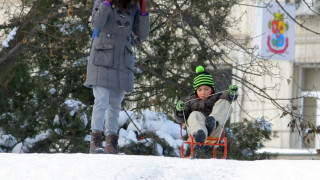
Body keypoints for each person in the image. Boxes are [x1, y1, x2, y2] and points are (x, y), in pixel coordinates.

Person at [85, 0, 150, 154]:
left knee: (115, 103)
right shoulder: (101, 1)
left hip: (122, 57)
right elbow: (97, 22)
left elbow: (143, 34)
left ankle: (111, 143)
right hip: (103, 54)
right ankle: (96, 141)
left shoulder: (133, 4)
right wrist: (106, 3)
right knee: (101, 100)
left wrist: (143, 11)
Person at [175, 65, 238, 143]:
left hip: (215, 132)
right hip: (196, 132)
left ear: (212, 89)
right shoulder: (190, 100)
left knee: (225, 102)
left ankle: (212, 121)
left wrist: (231, 93)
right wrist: (180, 111)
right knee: (194, 114)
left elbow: (227, 96)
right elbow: (181, 119)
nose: (203, 92)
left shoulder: (217, 96)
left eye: (206, 89)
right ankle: (200, 133)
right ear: (196, 91)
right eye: (200, 90)